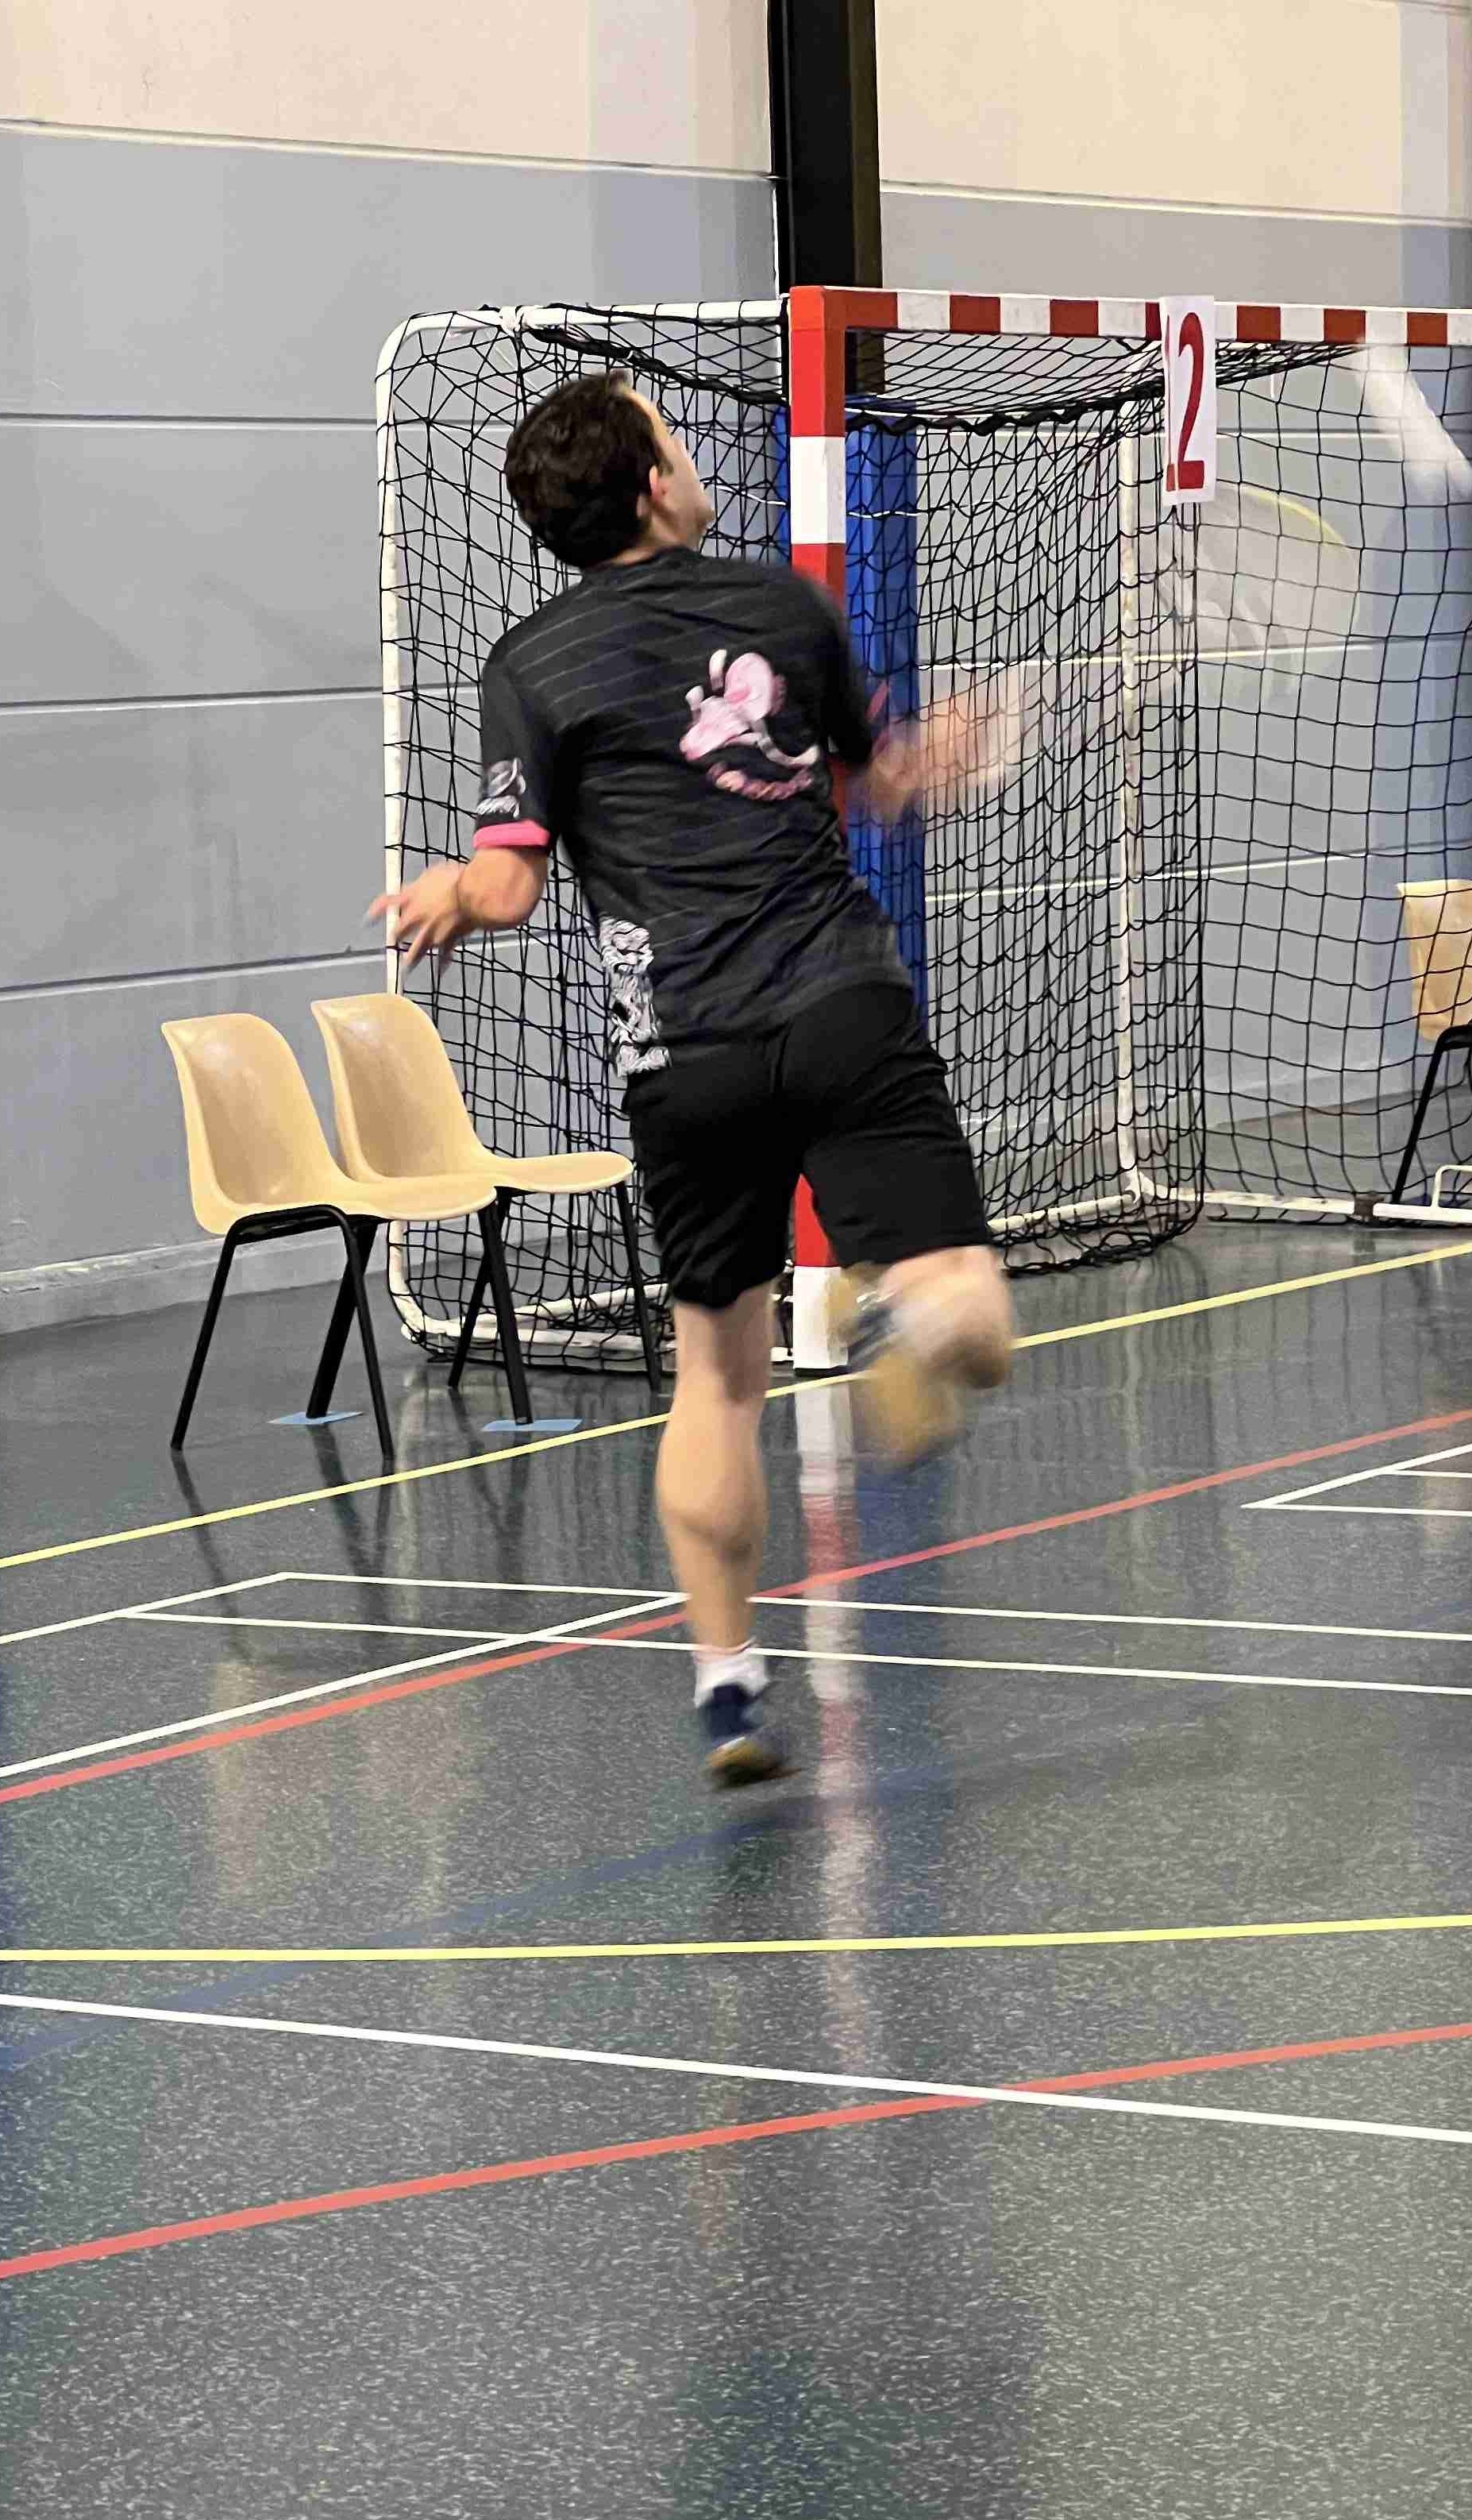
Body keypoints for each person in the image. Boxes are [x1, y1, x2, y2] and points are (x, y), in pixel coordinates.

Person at [373, 372, 1015, 1791]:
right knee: (973, 1326)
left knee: (717, 1384)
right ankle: (903, 1331)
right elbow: (877, 783)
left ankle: (729, 1689)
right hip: (840, 1013)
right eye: (669, 435)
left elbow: (507, 886)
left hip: (683, 1060)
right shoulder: (782, 607)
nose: (684, 449)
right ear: (656, 486)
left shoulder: (530, 663)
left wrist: (450, 898)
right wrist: (944, 757)